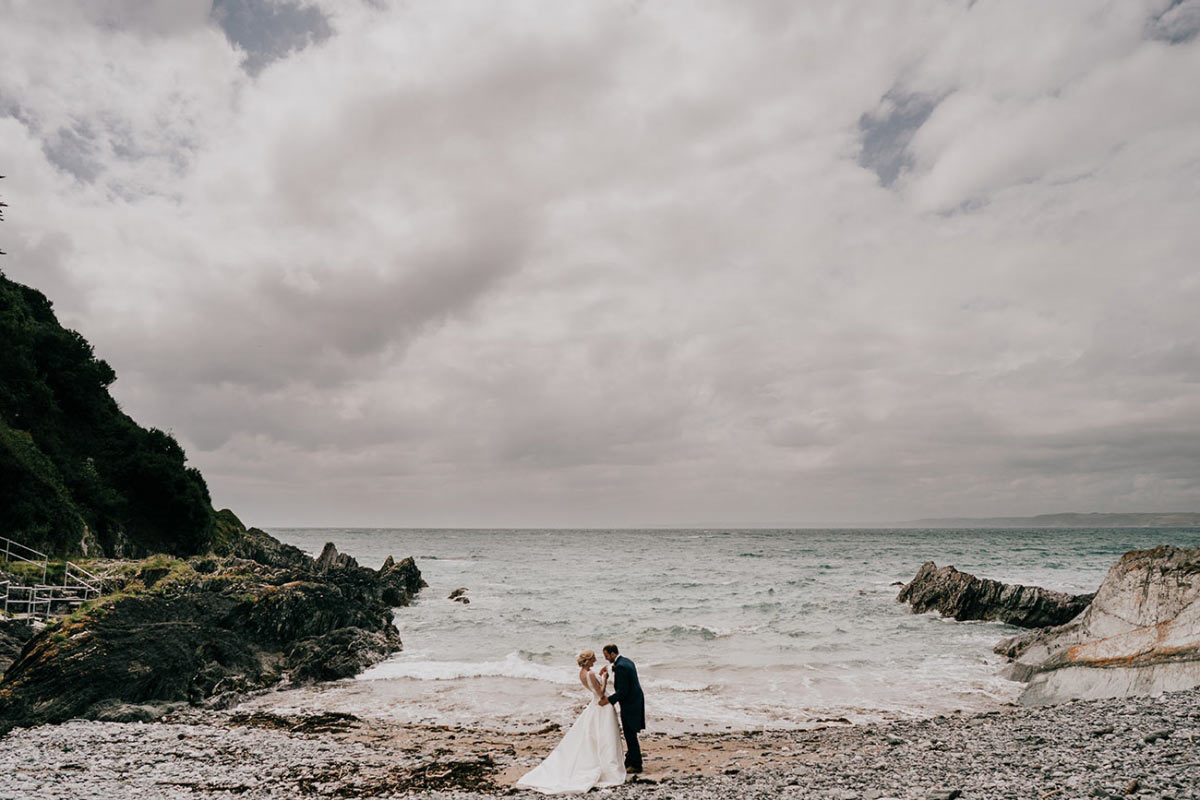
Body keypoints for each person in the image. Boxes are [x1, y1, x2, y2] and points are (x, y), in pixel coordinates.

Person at [515, 650, 626, 794]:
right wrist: (605, 678)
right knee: (605, 736)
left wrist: (599, 675)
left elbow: (592, 687)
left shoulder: (582, 674)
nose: (596, 660)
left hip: (595, 705)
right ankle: (608, 765)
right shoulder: (591, 674)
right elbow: (600, 692)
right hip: (601, 707)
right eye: (593, 659)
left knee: (595, 735)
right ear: (588, 660)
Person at [597, 643, 645, 773]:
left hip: (630, 704)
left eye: (606, 656)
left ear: (613, 654)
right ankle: (630, 759)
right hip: (636, 700)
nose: (606, 658)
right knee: (631, 733)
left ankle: (636, 764)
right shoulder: (626, 661)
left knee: (630, 735)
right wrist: (607, 668)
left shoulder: (621, 667)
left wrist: (608, 700)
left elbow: (623, 691)